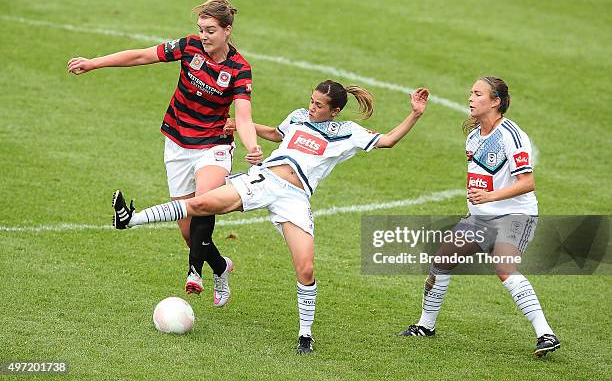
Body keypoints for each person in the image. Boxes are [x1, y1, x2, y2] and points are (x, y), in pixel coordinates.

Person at [111, 79, 430, 354]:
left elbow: (387, 140)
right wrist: (243, 125)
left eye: (319, 105)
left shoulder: (348, 132)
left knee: (305, 268)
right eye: (311, 100)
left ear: (334, 111)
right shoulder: (298, 117)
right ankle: (131, 218)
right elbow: (277, 134)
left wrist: (414, 115)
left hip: (295, 197)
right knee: (200, 204)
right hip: (262, 180)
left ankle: (305, 336)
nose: (311, 107)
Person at [67, 0, 263, 307]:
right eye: (201, 29)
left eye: (211, 30)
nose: (204, 36)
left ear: (228, 30)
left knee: (204, 200)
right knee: (189, 234)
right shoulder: (188, 47)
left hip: (213, 145)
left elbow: (243, 116)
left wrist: (252, 146)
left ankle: (194, 273)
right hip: (177, 143)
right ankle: (221, 266)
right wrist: (94, 62)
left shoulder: (239, 69)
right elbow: (142, 56)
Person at [399, 76, 560, 357]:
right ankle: (426, 326)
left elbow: (527, 183)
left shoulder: (512, 135)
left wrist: (490, 198)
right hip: (481, 218)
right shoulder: (474, 136)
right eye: (471, 93)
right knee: (442, 260)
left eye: (477, 94)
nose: (470, 99)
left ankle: (545, 333)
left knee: (503, 265)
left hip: (514, 215)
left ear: (495, 102)